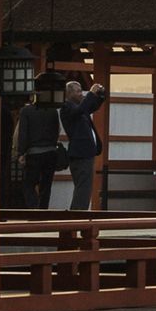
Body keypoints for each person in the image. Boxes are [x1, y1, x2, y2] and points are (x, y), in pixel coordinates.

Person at [9, 74, 69, 209]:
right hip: (50, 152)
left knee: (28, 184)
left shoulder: (26, 111)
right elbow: (56, 131)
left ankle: (33, 208)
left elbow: (23, 133)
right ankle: (43, 210)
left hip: (33, 153)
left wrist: (20, 152)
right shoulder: (53, 111)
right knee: (46, 185)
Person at [60, 74, 107, 210]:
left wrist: (100, 96)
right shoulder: (67, 107)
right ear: (68, 93)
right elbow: (81, 109)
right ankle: (78, 214)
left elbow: (91, 106)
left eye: (81, 90)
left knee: (85, 187)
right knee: (83, 187)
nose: (81, 93)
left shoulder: (79, 108)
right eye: (78, 91)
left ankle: (79, 213)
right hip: (80, 153)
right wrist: (91, 93)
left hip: (85, 152)